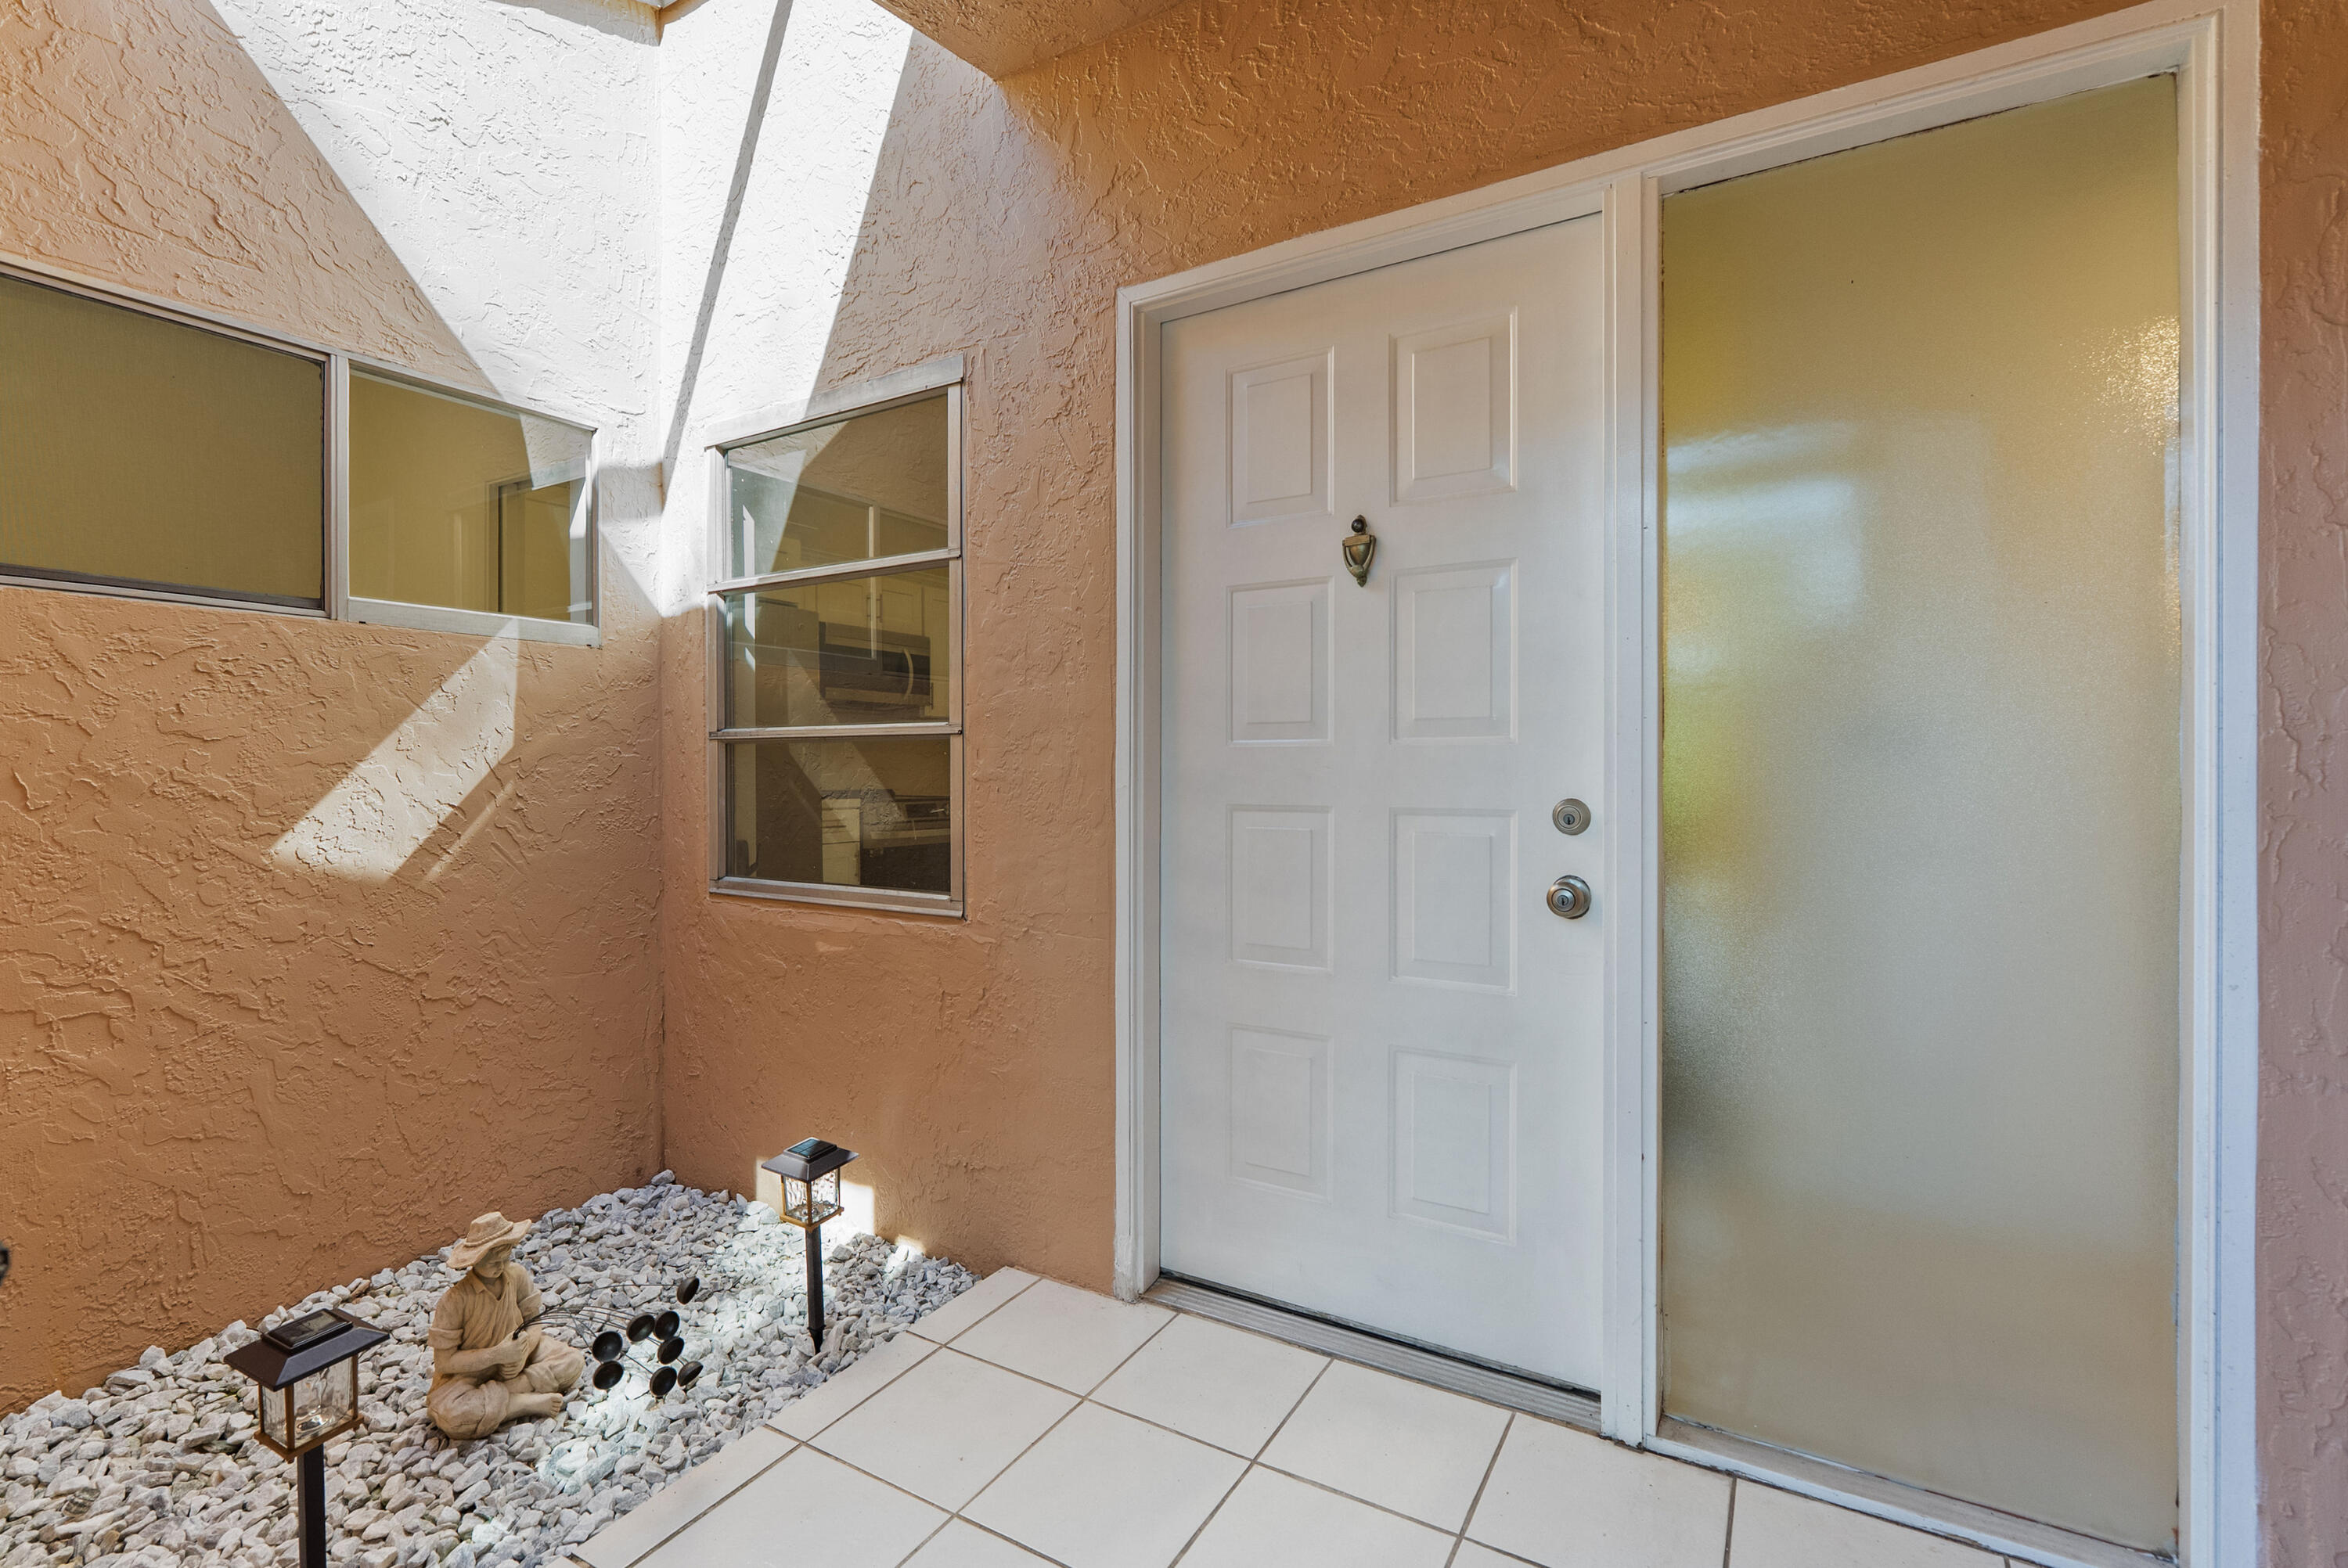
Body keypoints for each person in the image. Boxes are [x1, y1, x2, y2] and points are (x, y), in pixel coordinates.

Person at [425, 1212, 584, 1440]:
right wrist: (497, 1355)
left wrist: (523, 1351)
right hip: (470, 1375)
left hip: (519, 1358)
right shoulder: (455, 1301)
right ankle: (520, 1403)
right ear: (475, 1260)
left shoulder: (516, 1275)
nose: (500, 1267)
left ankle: (502, 1399)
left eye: (505, 1259)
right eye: (491, 1263)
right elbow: (444, 1362)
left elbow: (534, 1321)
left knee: (573, 1361)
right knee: (452, 1415)